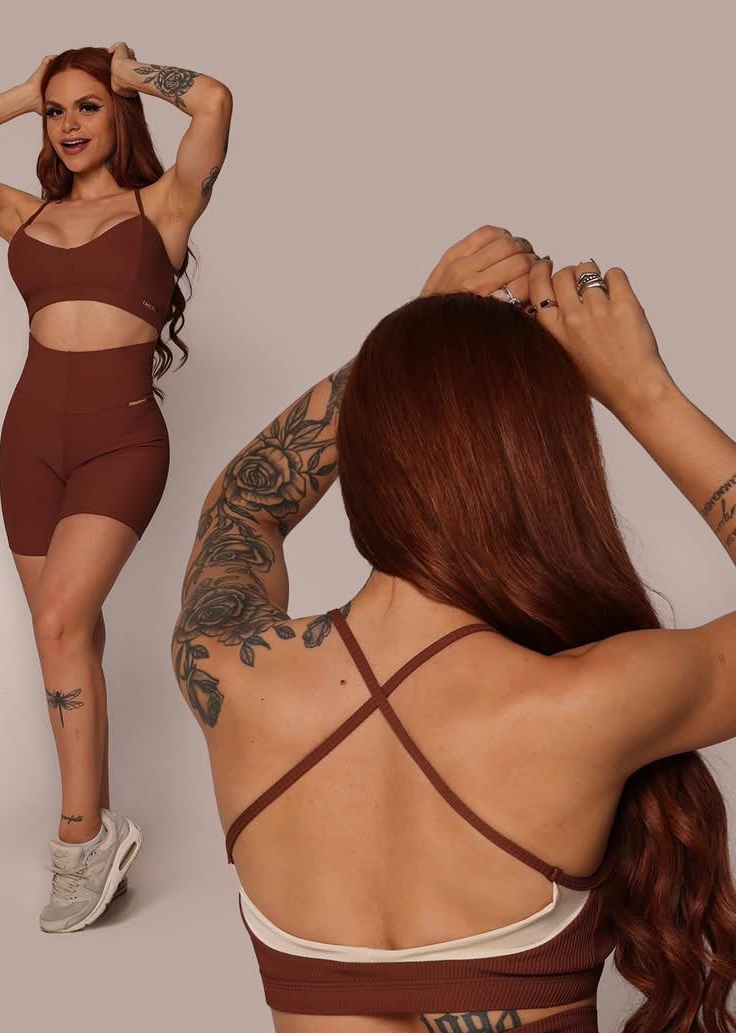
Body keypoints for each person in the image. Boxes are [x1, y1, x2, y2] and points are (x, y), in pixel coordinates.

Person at [171, 227, 735, 1033]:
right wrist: (643, 392)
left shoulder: (231, 672)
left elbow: (244, 504)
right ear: (544, 468)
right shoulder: (586, 704)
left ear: (364, 451)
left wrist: (404, 352)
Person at [0, 42, 232, 932]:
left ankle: (80, 836)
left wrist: (136, 75)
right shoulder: (26, 214)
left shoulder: (165, 205)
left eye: (88, 106)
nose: (69, 124)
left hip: (119, 441)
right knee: (67, 632)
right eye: (57, 111)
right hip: (28, 443)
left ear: (119, 111)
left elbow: (213, 101)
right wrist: (24, 91)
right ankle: (100, 822)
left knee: (57, 620)